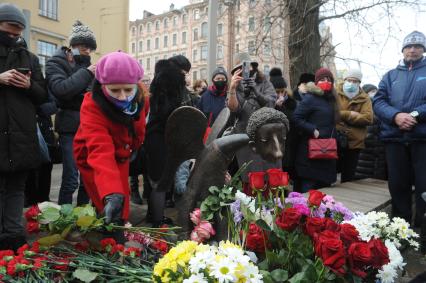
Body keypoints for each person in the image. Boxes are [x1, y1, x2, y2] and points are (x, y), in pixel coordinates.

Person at [73, 51, 148, 229]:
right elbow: (100, 150)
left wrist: (135, 145)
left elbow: (139, 126)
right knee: (107, 195)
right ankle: (110, 228)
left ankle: (121, 220)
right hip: (94, 155)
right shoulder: (92, 105)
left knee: (123, 193)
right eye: (114, 90)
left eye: (128, 89)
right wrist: (111, 193)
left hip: (122, 149)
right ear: (102, 85)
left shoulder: (140, 97)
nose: (122, 97)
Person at [0, 3, 48, 250]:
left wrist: (29, 85)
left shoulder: (30, 58)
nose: (16, 34)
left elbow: (43, 96)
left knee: (17, 188)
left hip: (21, 134)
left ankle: (13, 235)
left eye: (19, 30)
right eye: (11, 28)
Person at [373, 30, 426, 227]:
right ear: (403, 49)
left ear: (423, 49)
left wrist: (414, 115)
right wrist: (395, 116)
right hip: (394, 139)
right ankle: (399, 229)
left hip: (422, 139)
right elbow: (378, 101)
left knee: (424, 186)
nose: (412, 50)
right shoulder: (390, 76)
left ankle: (422, 231)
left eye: (417, 46)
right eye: (409, 46)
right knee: (398, 186)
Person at [46, 20, 97, 205]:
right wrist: (87, 75)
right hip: (69, 127)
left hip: (90, 126)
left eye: (90, 48)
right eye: (84, 47)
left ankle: (84, 217)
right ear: (73, 45)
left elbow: (90, 96)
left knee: (87, 178)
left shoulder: (87, 66)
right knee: (70, 178)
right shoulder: (56, 62)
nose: (88, 51)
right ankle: (64, 219)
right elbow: (62, 90)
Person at [145, 55, 194, 227]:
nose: (185, 75)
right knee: (161, 181)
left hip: (155, 134)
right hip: (161, 135)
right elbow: (168, 111)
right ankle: (158, 222)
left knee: (156, 180)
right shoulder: (171, 81)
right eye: (184, 72)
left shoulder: (160, 78)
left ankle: (154, 216)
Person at [227, 52, 277, 184]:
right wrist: (232, 88)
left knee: (268, 175)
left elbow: (271, 104)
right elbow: (234, 109)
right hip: (245, 137)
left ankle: (267, 203)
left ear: (253, 67)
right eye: (239, 68)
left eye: (246, 66)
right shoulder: (235, 87)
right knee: (249, 176)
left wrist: (256, 91)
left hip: (265, 135)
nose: (244, 70)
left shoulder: (264, 82)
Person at [293, 67, 339, 192]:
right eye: (323, 79)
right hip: (310, 156)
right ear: (316, 81)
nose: (326, 81)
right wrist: (312, 129)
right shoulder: (310, 98)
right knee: (308, 193)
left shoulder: (331, 100)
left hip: (327, 153)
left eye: (329, 79)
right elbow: (296, 117)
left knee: (325, 195)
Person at [336, 69, 373, 182]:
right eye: (349, 80)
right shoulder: (334, 93)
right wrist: (350, 114)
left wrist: (342, 116)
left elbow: (368, 118)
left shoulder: (365, 98)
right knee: (332, 173)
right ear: (345, 80)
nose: (351, 83)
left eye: (355, 81)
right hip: (335, 139)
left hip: (355, 141)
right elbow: (330, 113)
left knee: (349, 176)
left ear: (359, 83)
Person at [354, 84, 387, 180]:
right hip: (365, 148)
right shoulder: (361, 107)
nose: (374, 94)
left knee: (378, 176)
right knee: (362, 175)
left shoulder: (381, 108)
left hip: (379, 150)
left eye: (375, 91)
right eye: (371, 92)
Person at [269, 67, 297, 177]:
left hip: (287, 143)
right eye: (277, 92)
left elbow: (291, 119)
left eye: (282, 91)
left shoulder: (291, 102)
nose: (280, 95)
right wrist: (275, 106)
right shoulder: (267, 101)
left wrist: (281, 108)